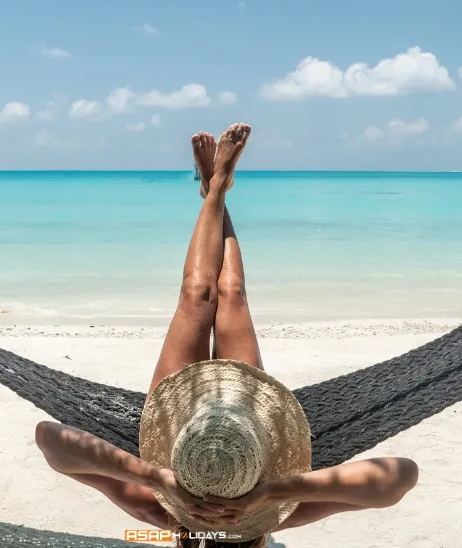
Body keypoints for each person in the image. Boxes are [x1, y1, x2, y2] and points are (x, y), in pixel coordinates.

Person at [35, 123, 419, 547]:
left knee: (197, 295)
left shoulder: (155, 510)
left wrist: (158, 476)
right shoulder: (277, 515)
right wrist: (273, 492)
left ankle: (215, 188)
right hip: (245, 421)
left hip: (185, 426)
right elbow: (401, 477)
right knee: (231, 294)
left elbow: (49, 439)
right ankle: (216, 188)